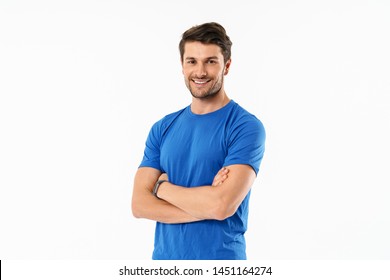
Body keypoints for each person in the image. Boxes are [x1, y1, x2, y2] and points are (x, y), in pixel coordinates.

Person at [131, 22, 266, 260]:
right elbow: (140, 205)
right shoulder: (163, 128)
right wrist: (206, 206)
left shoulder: (244, 126)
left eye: (210, 61)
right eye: (192, 61)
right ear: (182, 66)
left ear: (227, 66)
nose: (200, 71)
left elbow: (221, 205)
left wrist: (162, 188)